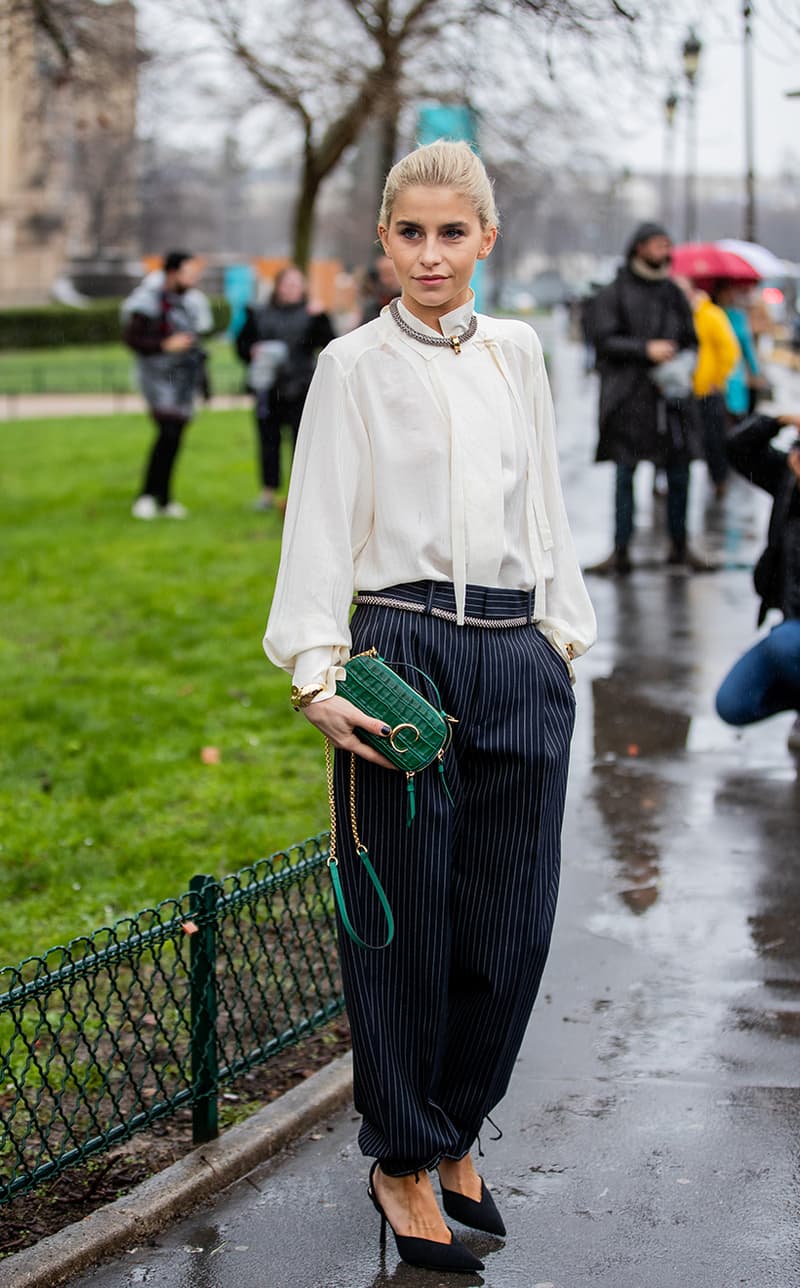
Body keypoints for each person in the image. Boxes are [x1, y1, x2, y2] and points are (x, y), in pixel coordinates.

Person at [263, 140, 596, 1273]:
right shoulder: (351, 365)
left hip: (515, 648)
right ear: (382, 240)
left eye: (452, 232)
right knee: (402, 925)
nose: (430, 254)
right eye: (410, 232)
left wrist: (560, 635)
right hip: (398, 650)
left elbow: (543, 502)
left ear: (485, 239)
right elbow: (315, 516)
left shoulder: (519, 352)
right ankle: (401, 1155)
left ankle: (454, 1127)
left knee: (508, 927)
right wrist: (315, 669)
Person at [585, 222, 706, 575]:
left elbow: (690, 339)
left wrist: (678, 361)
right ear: (639, 248)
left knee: (680, 472)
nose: (664, 251)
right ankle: (620, 550)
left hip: (669, 400)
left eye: (667, 244)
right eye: (657, 244)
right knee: (626, 475)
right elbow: (603, 340)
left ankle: (680, 546)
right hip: (628, 400)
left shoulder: (672, 292)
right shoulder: (614, 292)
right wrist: (645, 349)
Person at [715, 411, 800, 753]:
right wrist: (778, 420)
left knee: (784, 643)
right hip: (791, 628)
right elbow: (736, 448)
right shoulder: (787, 479)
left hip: (790, 639)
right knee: (733, 702)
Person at [235, 264, 335, 510]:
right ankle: (268, 493)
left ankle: (299, 495)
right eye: (287, 284)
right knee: (268, 442)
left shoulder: (312, 314)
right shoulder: (259, 313)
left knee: (302, 443)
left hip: (301, 387)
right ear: (277, 287)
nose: (291, 289)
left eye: (296, 284)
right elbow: (242, 345)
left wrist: (321, 317)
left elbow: (330, 344)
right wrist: (252, 351)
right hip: (268, 389)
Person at [122, 252, 212, 520]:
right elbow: (131, 338)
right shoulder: (148, 301)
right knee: (167, 435)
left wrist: (204, 383)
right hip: (158, 380)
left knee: (174, 438)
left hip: (184, 380)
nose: (193, 278)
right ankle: (147, 496)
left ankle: (164, 498)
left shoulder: (191, 303)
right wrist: (163, 345)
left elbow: (197, 343)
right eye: (188, 272)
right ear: (173, 273)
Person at [675, 276, 741, 499]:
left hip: (708, 389)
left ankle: (719, 478)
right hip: (685, 389)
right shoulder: (678, 315)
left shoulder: (711, 315)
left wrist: (717, 379)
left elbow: (729, 350)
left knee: (714, 439)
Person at [711, 280, 765, 423]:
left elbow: (747, 346)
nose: (729, 295)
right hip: (714, 371)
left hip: (734, 370)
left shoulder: (739, 316)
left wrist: (756, 371)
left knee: (734, 413)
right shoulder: (712, 313)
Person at [359, 254, 401, 323]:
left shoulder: (410, 305)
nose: (388, 280)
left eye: (390, 274)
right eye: (384, 274)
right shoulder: (372, 308)